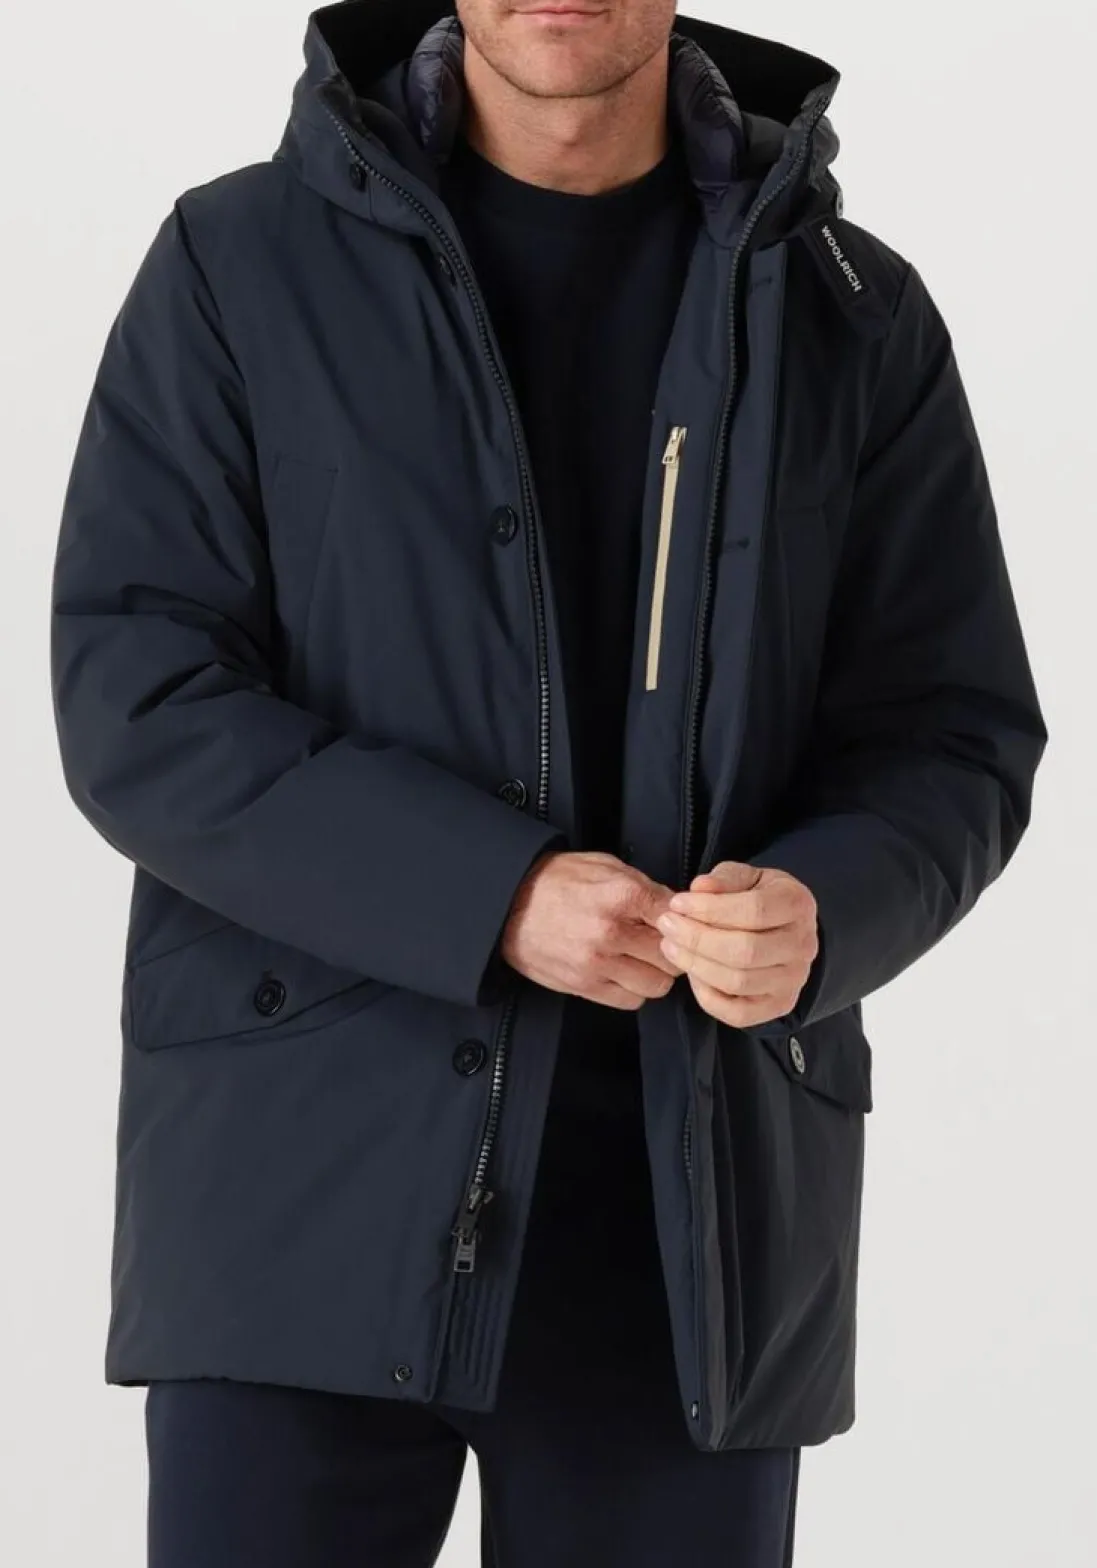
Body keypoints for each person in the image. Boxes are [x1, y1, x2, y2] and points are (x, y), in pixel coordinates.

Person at [49, 1, 1047, 1564]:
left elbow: (953, 730)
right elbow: (141, 699)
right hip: (295, 1196)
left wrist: (825, 908)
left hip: (692, 1236)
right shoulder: (236, 266)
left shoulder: (850, 314)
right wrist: (491, 895)